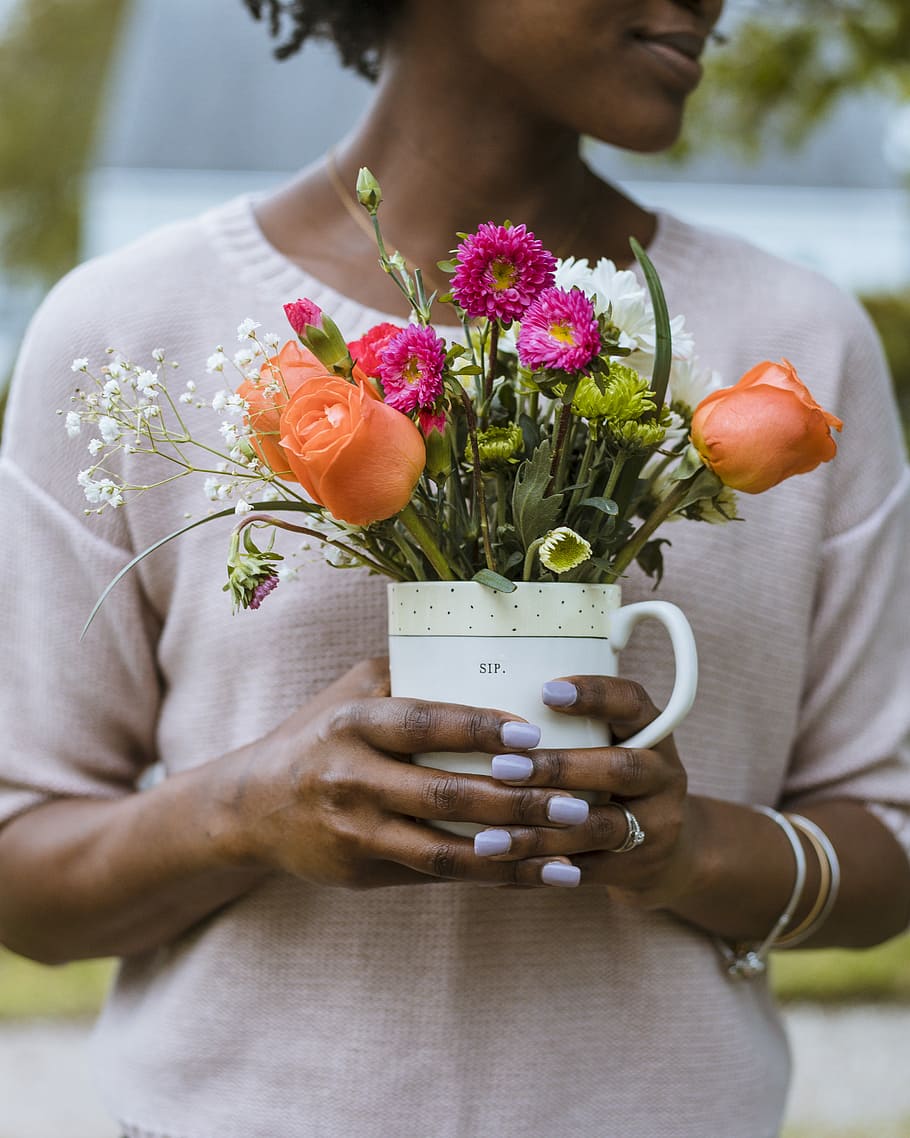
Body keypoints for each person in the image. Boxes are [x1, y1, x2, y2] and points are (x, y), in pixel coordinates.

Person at [1, 2, 909, 1135]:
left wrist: (687, 849)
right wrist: (247, 808)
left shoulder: (798, 348)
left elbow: (886, 845)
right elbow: (23, 873)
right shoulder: (128, 328)